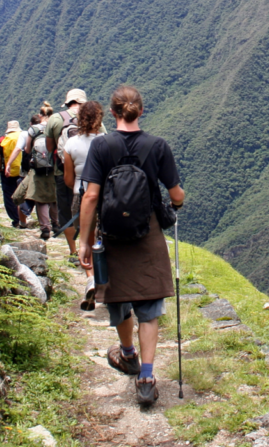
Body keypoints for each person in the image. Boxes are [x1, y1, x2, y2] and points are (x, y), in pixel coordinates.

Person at [78, 85, 185, 406]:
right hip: (147, 232)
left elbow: (91, 196)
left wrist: (84, 241)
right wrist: (173, 208)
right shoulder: (158, 147)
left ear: (112, 113)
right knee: (149, 307)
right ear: (141, 112)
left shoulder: (101, 146)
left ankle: (127, 354)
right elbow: (176, 194)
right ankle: (148, 377)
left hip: (110, 233)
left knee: (119, 298)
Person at [63, 100, 105, 306]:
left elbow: (68, 178)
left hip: (81, 194)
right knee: (103, 237)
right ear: (100, 118)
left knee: (86, 240)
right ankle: (105, 279)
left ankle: (90, 278)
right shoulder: (107, 141)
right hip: (105, 195)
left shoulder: (71, 144)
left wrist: (78, 186)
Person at [46, 89, 89, 261]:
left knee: (66, 212)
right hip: (89, 175)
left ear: (68, 102)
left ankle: (73, 251)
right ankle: (89, 249)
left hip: (62, 172)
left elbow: (50, 148)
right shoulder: (92, 117)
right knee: (89, 210)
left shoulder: (56, 119)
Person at [13, 114, 58, 238]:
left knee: (40, 200)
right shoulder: (55, 128)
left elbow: (27, 150)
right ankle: (56, 224)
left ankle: (45, 228)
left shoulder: (33, 131)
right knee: (54, 198)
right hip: (53, 168)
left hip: (37, 170)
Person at [0, 120, 25, 228]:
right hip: (23, 170)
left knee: (9, 196)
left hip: (9, 171)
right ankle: (23, 218)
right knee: (23, 194)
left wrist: (1, 168)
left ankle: (16, 220)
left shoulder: (3, 140)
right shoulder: (24, 136)